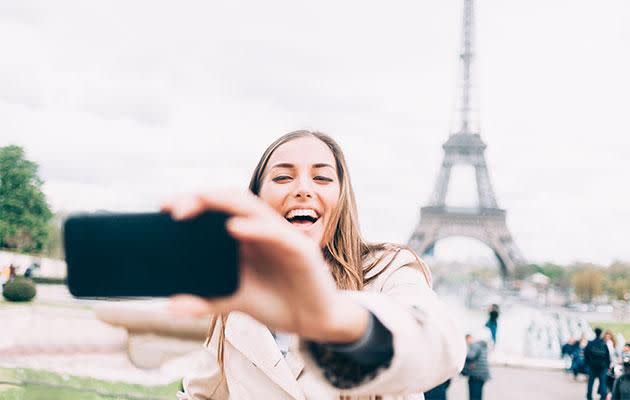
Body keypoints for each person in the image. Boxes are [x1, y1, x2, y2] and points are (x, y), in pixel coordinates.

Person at [165, 131, 466, 399]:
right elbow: (202, 394)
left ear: (341, 197)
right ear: (256, 198)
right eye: (283, 177)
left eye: (322, 178)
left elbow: (441, 346)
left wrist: (339, 320)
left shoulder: (389, 269)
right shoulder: (237, 294)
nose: (303, 189)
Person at [584, 327, 611, 400]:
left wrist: (587, 365)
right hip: (602, 367)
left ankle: (589, 397)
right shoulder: (604, 344)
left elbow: (585, 354)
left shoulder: (590, 343)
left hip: (592, 367)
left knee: (590, 383)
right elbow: (607, 356)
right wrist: (608, 366)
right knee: (603, 383)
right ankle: (603, 397)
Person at [461, 333, 490, 400]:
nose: (466, 342)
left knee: (474, 395)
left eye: (466, 340)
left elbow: (470, 356)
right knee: (478, 395)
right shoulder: (482, 345)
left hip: (476, 375)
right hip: (482, 374)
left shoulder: (475, 345)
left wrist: (463, 350)